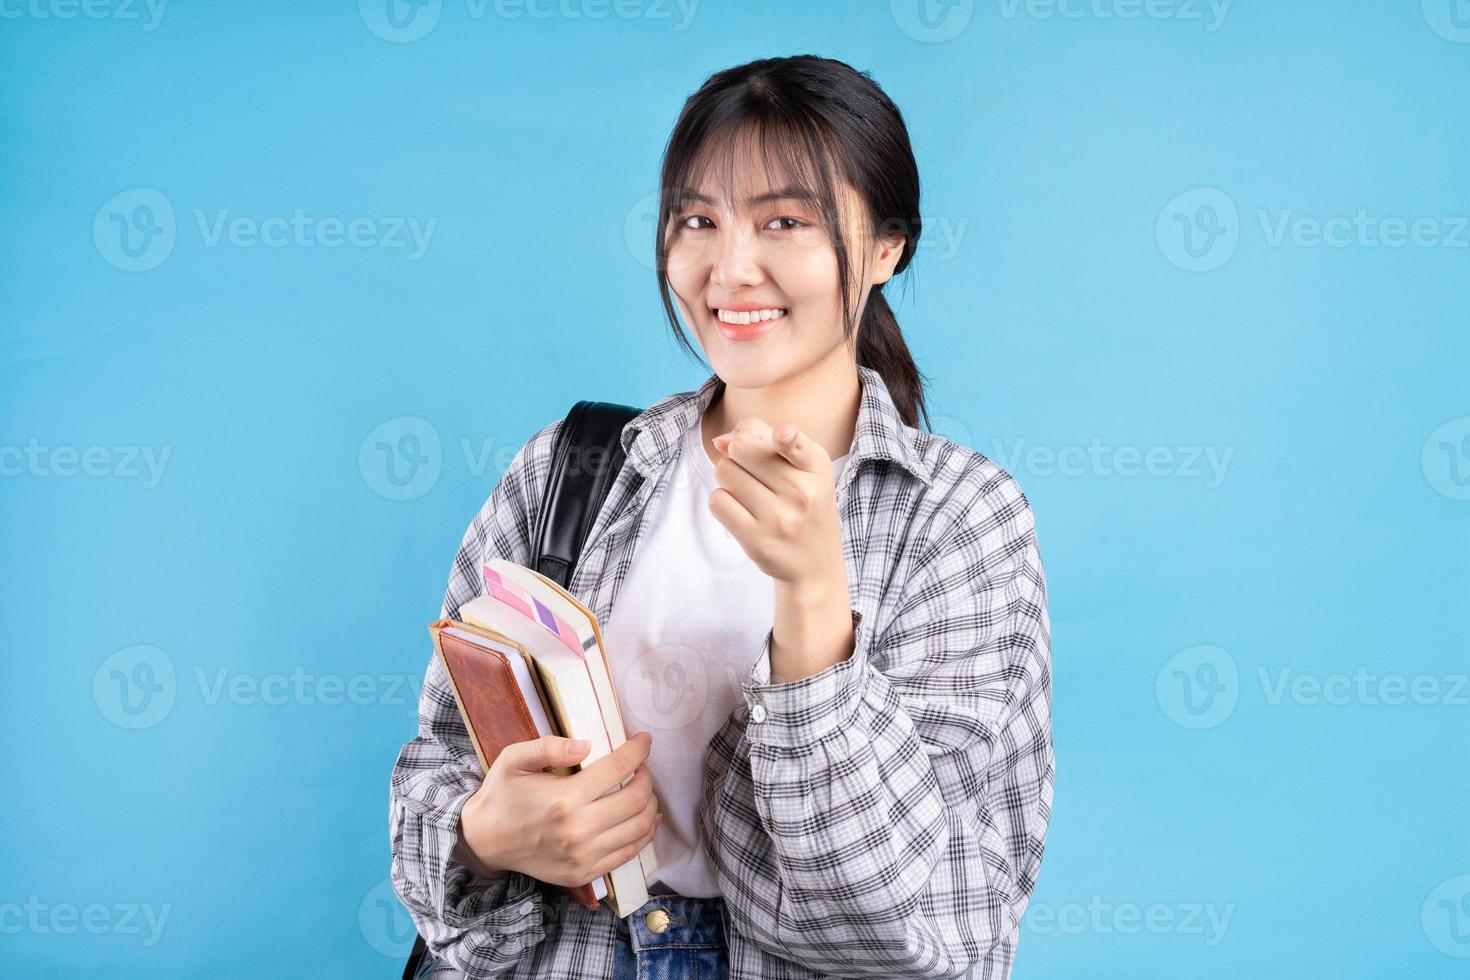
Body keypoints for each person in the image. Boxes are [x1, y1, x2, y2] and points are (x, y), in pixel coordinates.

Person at [390, 53, 1053, 980]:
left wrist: (815, 602)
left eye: (785, 221)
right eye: (698, 220)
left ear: (887, 246)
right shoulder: (573, 468)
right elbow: (438, 768)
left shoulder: (959, 521)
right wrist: (485, 835)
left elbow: (928, 932)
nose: (730, 268)